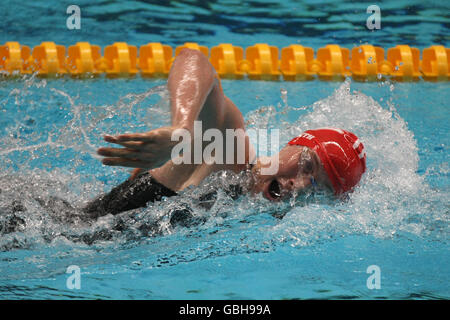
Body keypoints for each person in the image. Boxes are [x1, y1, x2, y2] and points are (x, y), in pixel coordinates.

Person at [82, 49, 366, 220]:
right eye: (307, 165)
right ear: (293, 145)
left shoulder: (249, 213)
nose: (300, 185)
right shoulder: (229, 152)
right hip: (60, 231)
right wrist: (181, 130)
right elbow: (194, 61)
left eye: (319, 187)